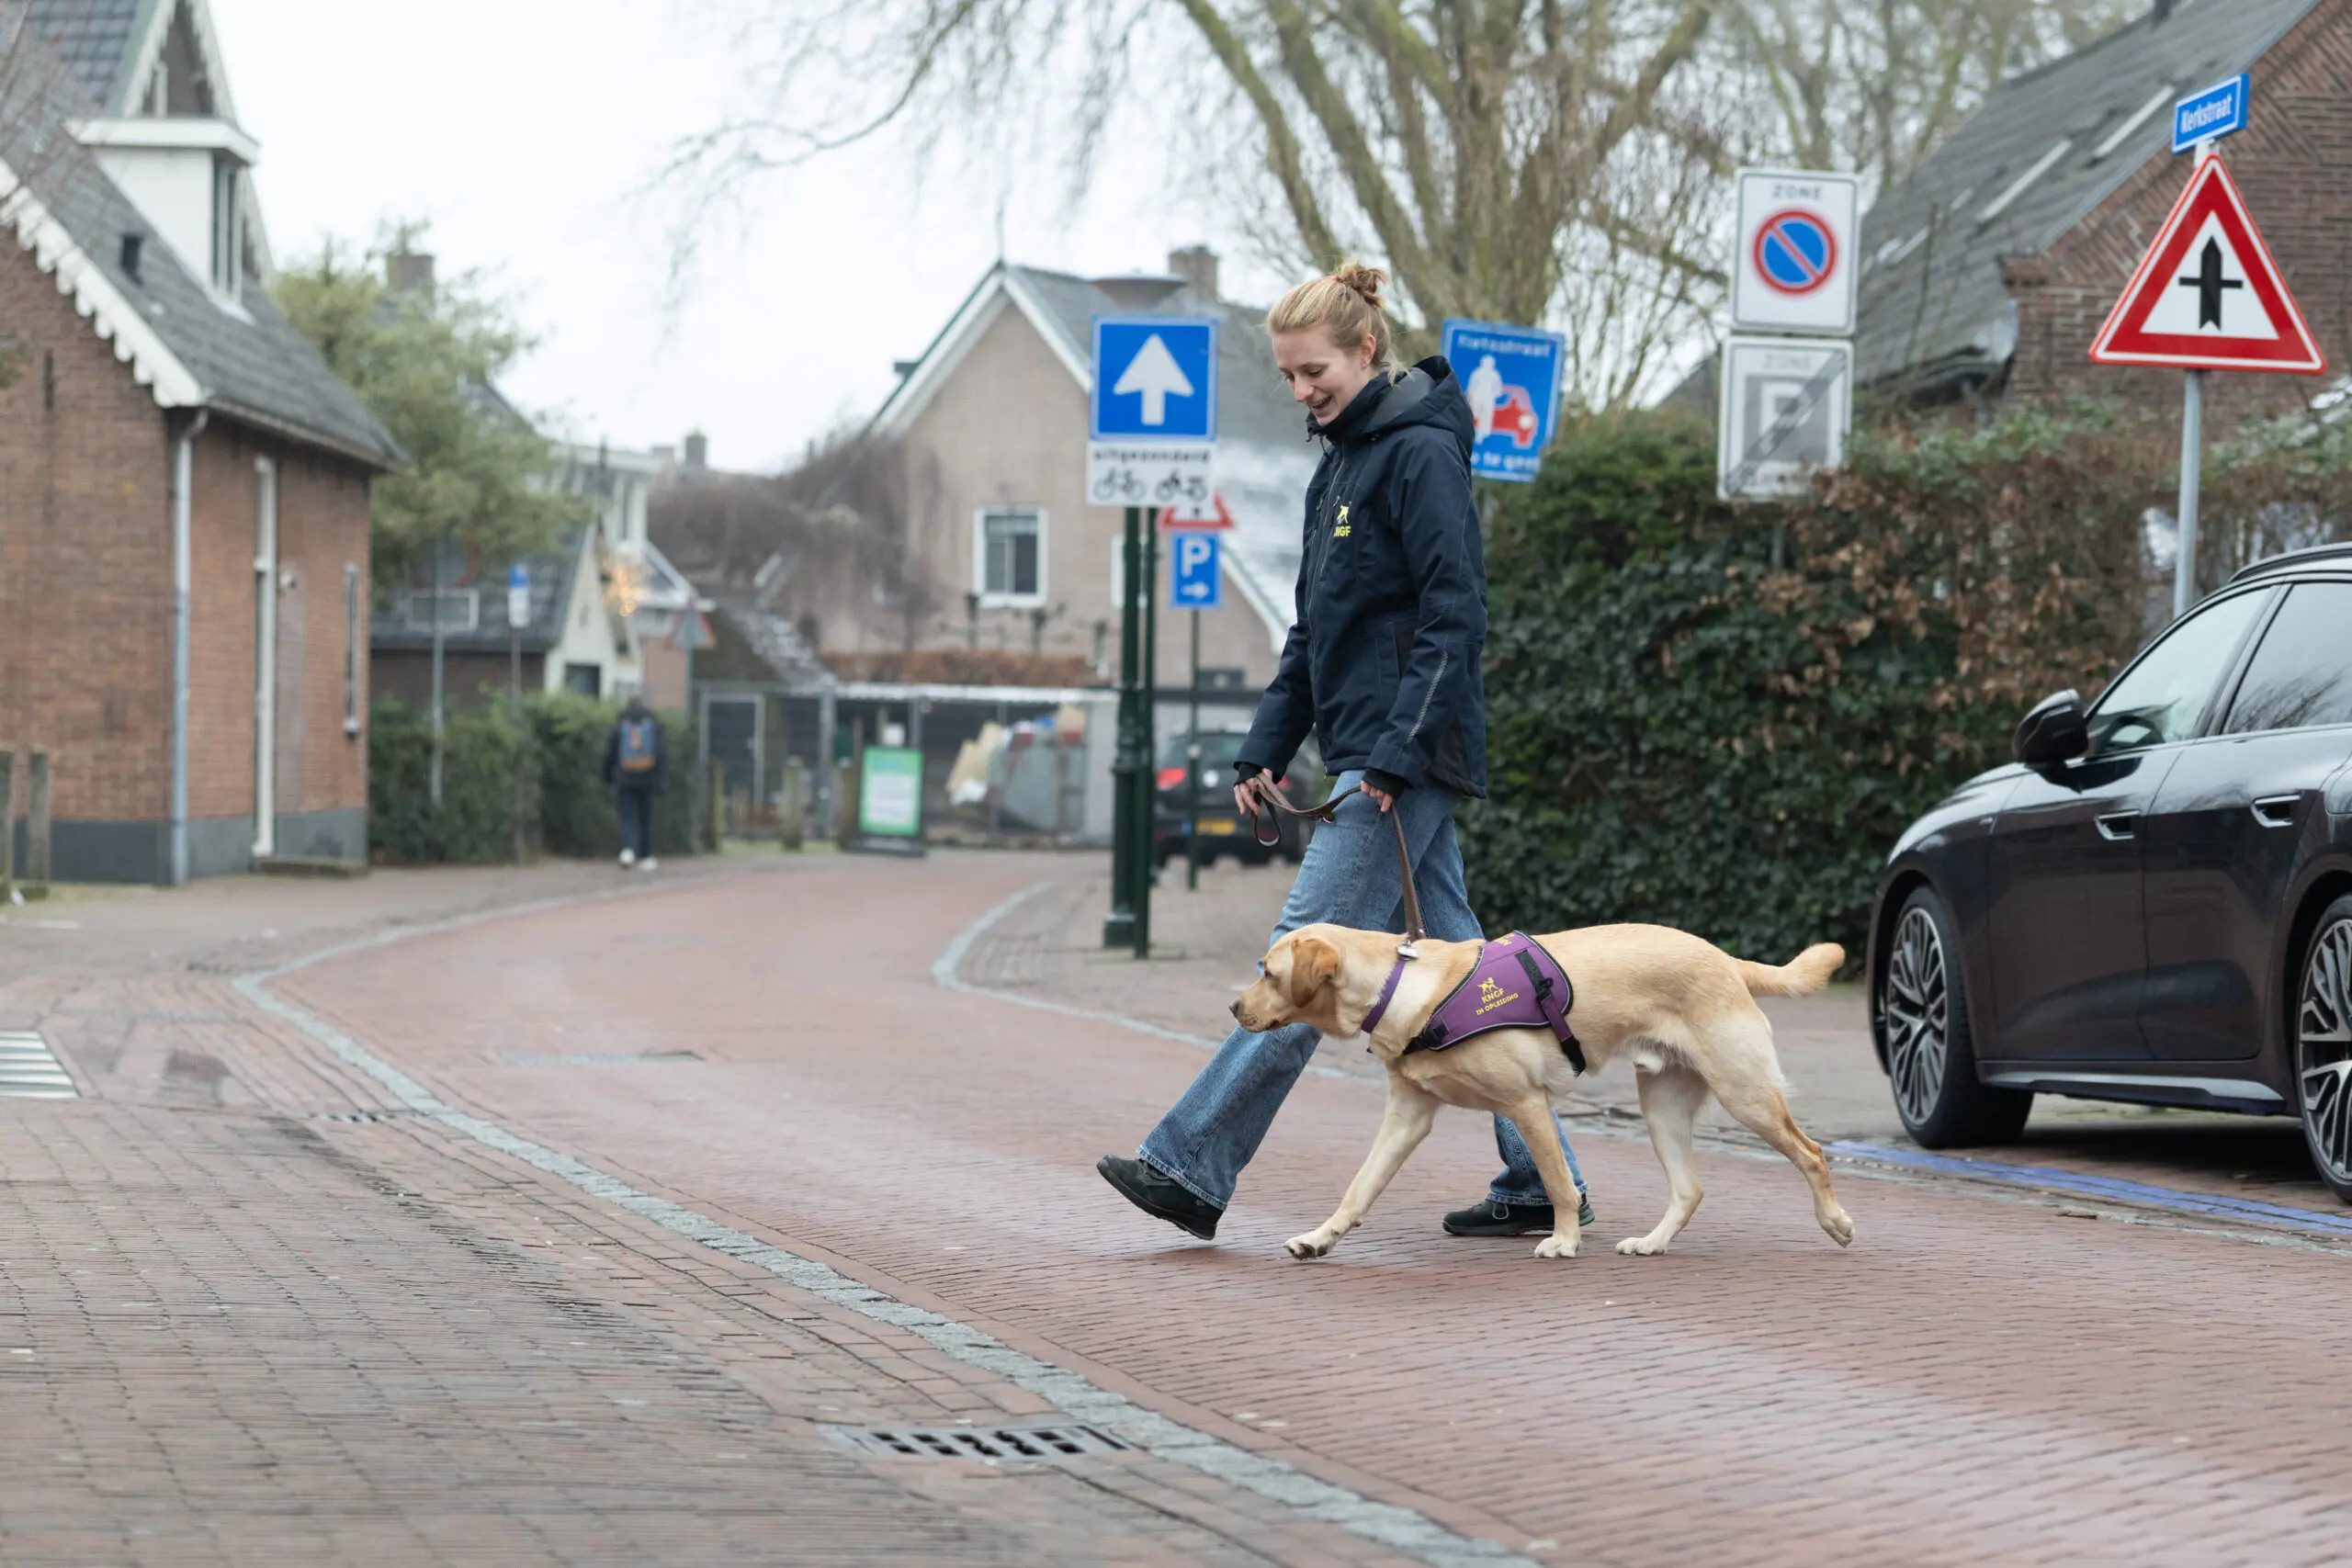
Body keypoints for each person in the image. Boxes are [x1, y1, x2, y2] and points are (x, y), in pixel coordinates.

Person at [1097, 262, 1590, 1243]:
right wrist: (1260, 754)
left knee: (1299, 963)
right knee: (1472, 973)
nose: (1299, 391)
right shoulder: (1340, 462)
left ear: (1366, 350)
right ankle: (1540, 1179)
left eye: (1311, 370)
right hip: (1366, 754)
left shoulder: (1418, 457)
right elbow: (1311, 636)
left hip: (1400, 759)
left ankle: (1190, 1165)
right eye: (1286, 376)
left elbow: (1456, 620)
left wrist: (1397, 764)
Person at [602, 696, 666, 872]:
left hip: (625, 777)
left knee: (627, 817)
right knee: (645, 818)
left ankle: (627, 851)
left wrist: (607, 777)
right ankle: (645, 857)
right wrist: (660, 780)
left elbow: (609, 755)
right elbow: (661, 755)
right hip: (648, 778)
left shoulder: (620, 727)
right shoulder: (653, 728)